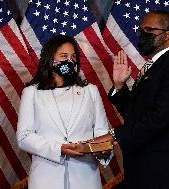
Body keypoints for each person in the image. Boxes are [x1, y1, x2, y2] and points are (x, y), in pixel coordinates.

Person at [108, 10, 169, 188]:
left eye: (149, 31)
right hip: (146, 170)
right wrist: (120, 87)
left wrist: (114, 135)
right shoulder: (153, 66)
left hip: (168, 174)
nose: (142, 35)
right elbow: (137, 114)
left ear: (167, 35)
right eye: (141, 31)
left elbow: (160, 118)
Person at [17, 35, 113, 189]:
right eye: (63, 56)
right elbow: (24, 137)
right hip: (46, 180)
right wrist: (58, 149)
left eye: (73, 57)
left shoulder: (90, 91)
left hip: (85, 179)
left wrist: (103, 151)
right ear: (50, 59)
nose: (69, 61)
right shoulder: (32, 93)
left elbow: (102, 135)